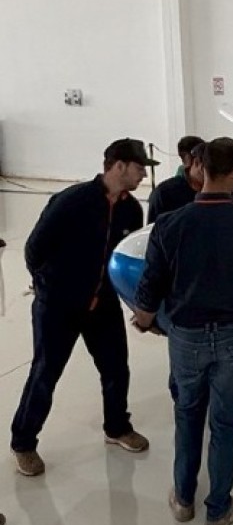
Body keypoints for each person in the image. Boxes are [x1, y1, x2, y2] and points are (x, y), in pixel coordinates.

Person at [133, 137, 233, 525]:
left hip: (187, 338)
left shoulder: (170, 223)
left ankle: (183, 499)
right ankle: (217, 511)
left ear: (200, 167)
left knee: (187, 416)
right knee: (226, 424)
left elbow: (151, 284)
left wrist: (145, 320)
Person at [10, 138, 154, 477]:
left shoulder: (131, 210)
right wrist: (49, 288)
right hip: (58, 306)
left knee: (116, 369)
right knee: (45, 373)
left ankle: (117, 427)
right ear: (119, 166)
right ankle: (23, 442)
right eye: (139, 168)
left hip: (103, 305)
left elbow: (126, 259)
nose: (143, 175)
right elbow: (34, 250)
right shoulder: (71, 202)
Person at [149, 139, 205, 223]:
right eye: (202, 163)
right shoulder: (164, 192)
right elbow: (153, 227)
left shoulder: (216, 190)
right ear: (190, 160)